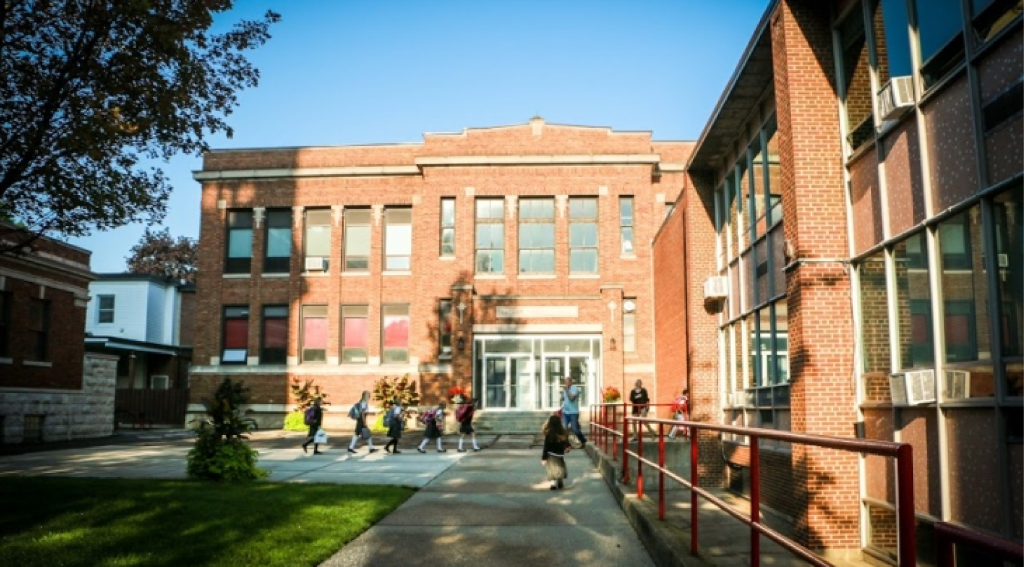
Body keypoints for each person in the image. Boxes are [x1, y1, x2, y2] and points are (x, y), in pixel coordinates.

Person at [541, 414, 572, 490]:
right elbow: (567, 443)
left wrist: (544, 458)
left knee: (552, 469)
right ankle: (560, 480)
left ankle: (553, 484)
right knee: (560, 467)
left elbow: (546, 446)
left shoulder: (549, 434)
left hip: (551, 454)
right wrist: (568, 447)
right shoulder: (563, 432)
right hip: (560, 454)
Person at [560, 376, 587, 447]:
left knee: (575, 429)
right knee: (564, 428)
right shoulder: (566, 390)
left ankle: (583, 441)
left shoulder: (575, 389)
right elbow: (562, 399)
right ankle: (566, 444)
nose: (566, 384)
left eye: (567, 382)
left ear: (571, 382)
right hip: (565, 412)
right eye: (565, 382)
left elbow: (571, 398)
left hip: (573, 413)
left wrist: (566, 390)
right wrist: (562, 395)